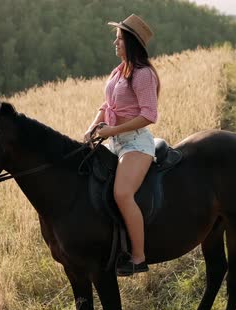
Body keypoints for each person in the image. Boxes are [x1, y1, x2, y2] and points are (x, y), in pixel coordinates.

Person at [84, 14, 160, 276]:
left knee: (122, 194)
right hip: (114, 141)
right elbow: (107, 106)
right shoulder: (119, 71)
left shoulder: (143, 74)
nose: (114, 44)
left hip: (135, 143)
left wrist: (112, 130)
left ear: (132, 42)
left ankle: (138, 258)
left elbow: (149, 114)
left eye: (119, 39)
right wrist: (93, 126)